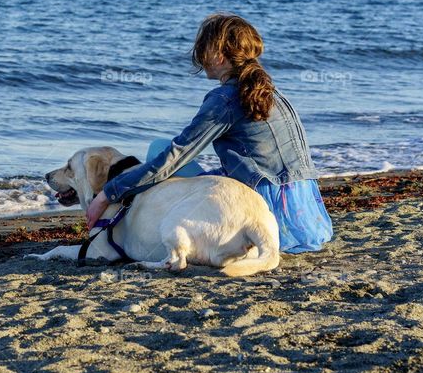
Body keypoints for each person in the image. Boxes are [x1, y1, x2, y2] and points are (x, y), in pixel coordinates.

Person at [87, 13, 333, 253]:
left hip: (260, 205)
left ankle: (144, 232)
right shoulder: (270, 92)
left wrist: (108, 193)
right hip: (302, 209)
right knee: (167, 156)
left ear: (219, 54)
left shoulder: (224, 99)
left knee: (160, 150)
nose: (200, 56)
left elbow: (175, 157)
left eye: (203, 48)